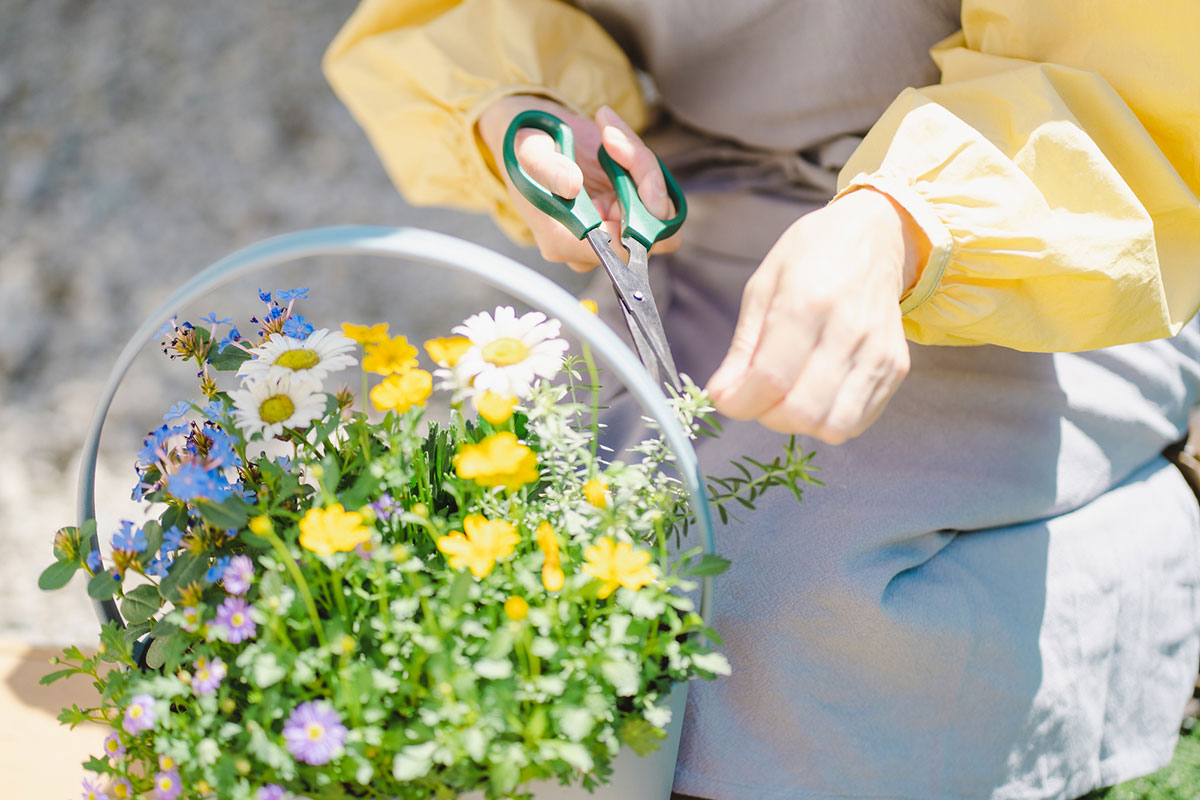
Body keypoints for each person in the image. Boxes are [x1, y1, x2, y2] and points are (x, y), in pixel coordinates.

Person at [323, 2, 1200, 798]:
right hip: (696, 212)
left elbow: (1136, 85)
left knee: (770, 632)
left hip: (1020, 245)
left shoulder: (993, 229)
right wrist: (521, 113)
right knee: (537, 563)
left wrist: (898, 224)